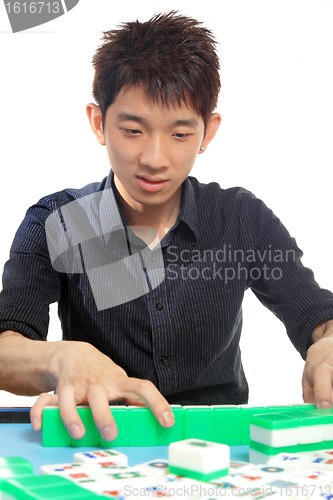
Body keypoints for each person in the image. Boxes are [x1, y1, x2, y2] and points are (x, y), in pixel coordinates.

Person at [1, 11, 333, 444]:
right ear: (99, 123)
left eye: (179, 134)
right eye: (134, 130)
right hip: (100, 442)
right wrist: (62, 358)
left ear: (207, 132)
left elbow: (318, 318)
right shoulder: (56, 221)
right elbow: (7, 344)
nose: (155, 158)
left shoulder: (241, 218)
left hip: (220, 448)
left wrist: (326, 346)